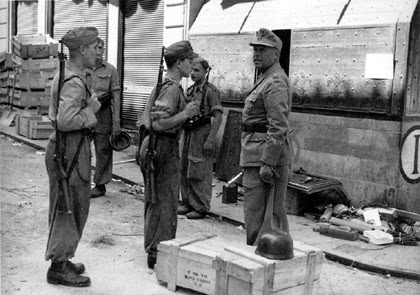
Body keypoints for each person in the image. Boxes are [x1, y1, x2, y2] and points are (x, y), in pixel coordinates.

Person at [45, 27, 101, 286]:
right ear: (81, 50)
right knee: (69, 206)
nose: (97, 52)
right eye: (94, 47)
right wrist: (90, 110)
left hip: (68, 148)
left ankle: (63, 257)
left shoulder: (71, 74)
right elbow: (65, 120)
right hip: (69, 150)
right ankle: (58, 267)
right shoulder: (75, 80)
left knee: (71, 204)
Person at [139, 41, 199, 269]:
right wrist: (185, 114)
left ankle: (156, 248)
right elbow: (158, 123)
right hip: (162, 146)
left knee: (158, 199)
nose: (192, 64)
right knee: (164, 201)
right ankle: (158, 251)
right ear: (179, 63)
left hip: (159, 146)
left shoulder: (168, 85)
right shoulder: (172, 88)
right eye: (189, 60)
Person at [240, 28, 294, 246]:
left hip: (265, 158)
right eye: (255, 49)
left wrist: (267, 162)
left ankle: (267, 262)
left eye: (262, 50)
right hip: (257, 153)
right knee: (259, 215)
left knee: (267, 218)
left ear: (276, 54)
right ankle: (261, 258)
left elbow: (278, 126)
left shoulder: (275, 82)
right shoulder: (266, 78)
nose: (256, 54)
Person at [178, 57, 223, 219]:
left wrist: (210, 139)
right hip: (189, 133)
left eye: (197, 70)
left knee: (199, 170)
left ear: (206, 71)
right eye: (191, 70)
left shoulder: (211, 91)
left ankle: (200, 206)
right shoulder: (189, 91)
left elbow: (218, 117)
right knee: (185, 167)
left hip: (203, 133)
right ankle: (187, 202)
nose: (193, 73)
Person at [86, 37, 121, 198]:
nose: (99, 50)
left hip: (103, 113)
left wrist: (116, 122)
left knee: (103, 150)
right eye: (96, 47)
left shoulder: (110, 70)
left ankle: (100, 185)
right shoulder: (83, 68)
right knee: (82, 147)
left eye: (102, 47)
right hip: (86, 111)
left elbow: (116, 97)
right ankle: (82, 180)